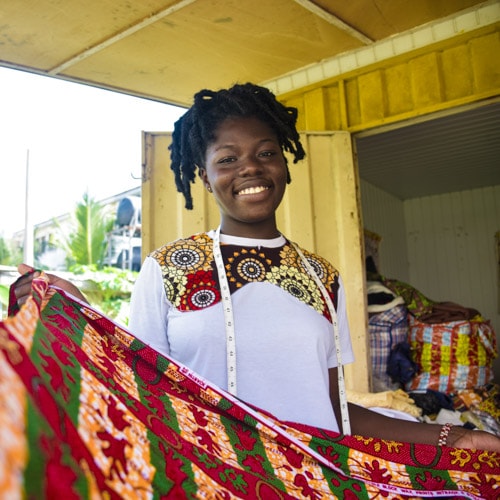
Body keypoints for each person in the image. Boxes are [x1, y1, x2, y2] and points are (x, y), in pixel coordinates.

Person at [14, 83, 500, 453]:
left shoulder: (320, 276)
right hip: (210, 478)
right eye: (228, 159)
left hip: (315, 480)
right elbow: (138, 387)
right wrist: (78, 317)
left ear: (284, 166)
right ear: (205, 177)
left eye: (266, 153)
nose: (250, 168)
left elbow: (334, 413)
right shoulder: (168, 269)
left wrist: (451, 438)